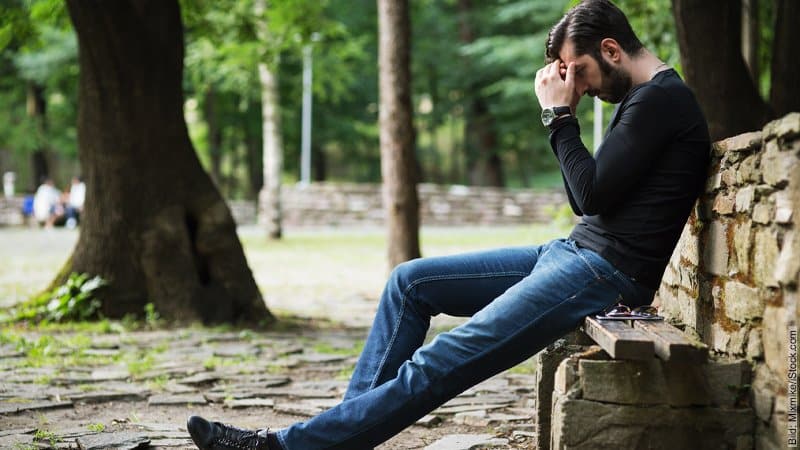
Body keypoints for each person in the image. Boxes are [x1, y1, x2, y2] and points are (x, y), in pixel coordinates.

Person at [186, 1, 710, 449]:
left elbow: (587, 194)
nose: (579, 88)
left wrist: (558, 118)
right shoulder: (647, 99)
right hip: (573, 255)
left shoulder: (661, 100)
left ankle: (286, 446)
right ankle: (337, 439)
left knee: (444, 358)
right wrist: (563, 120)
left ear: (612, 51)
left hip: (604, 274)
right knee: (409, 283)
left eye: (580, 72)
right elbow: (590, 200)